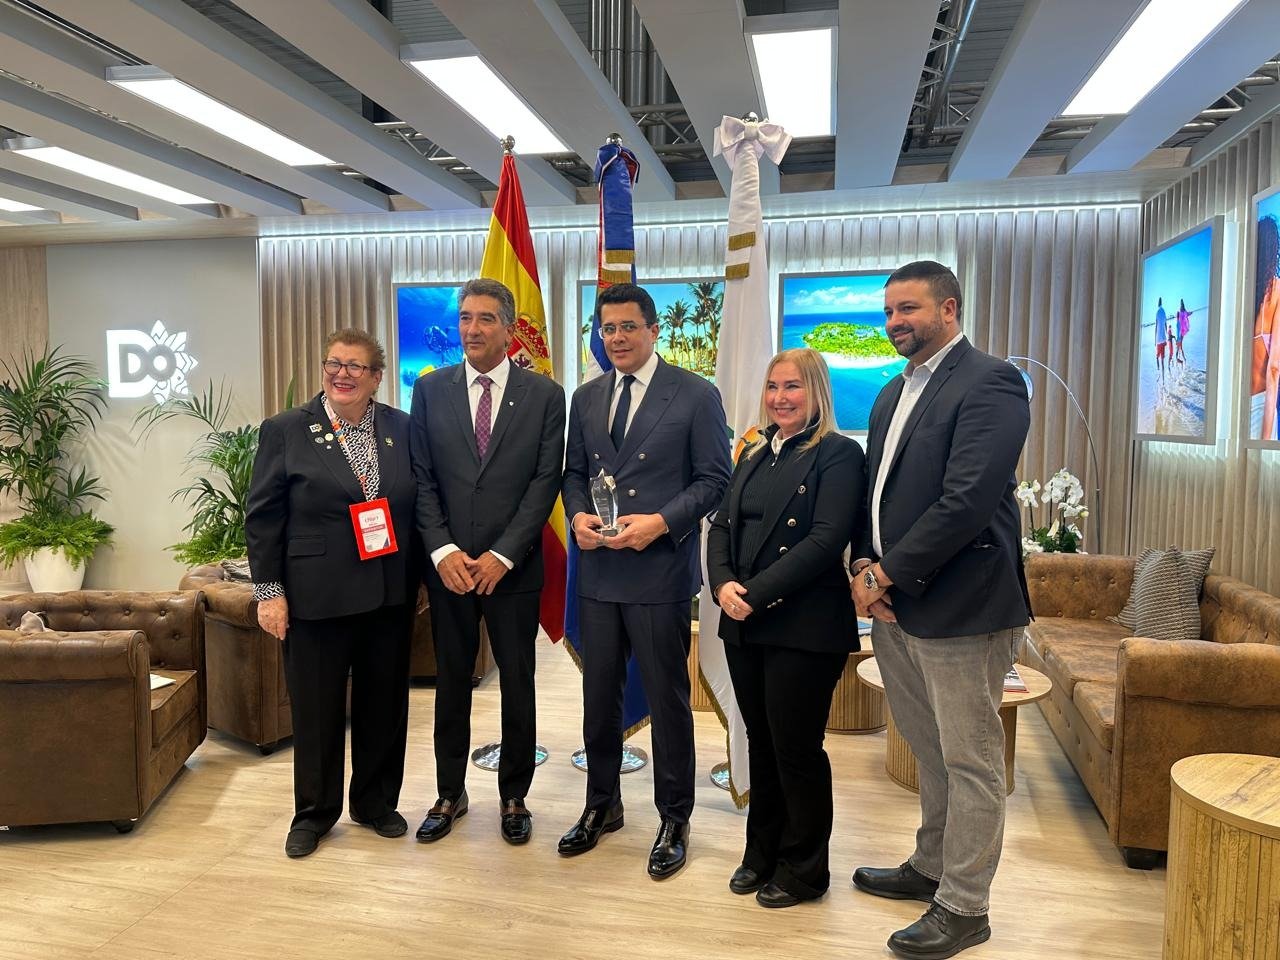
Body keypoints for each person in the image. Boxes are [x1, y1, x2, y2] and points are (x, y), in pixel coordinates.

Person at [850, 261, 1031, 960]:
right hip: (895, 604)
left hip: (964, 607)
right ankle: (931, 865)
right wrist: (865, 568)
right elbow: (875, 493)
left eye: (909, 308)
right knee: (928, 748)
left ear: (949, 309)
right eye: (889, 310)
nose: (895, 321)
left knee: (971, 759)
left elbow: (968, 500)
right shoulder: (891, 393)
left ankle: (964, 905)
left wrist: (886, 573)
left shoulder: (991, 381)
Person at [558, 282, 731, 880]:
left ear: (654, 331)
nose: (617, 338)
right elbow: (573, 474)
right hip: (599, 572)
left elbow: (715, 480)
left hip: (659, 573)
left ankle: (674, 817)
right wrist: (577, 516)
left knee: (667, 700)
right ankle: (601, 804)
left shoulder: (695, 394)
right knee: (598, 698)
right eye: (607, 329)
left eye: (628, 326)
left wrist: (660, 523)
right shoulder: (586, 396)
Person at [246, 329, 419, 859]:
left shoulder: (401, 427)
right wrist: (269, 592)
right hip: (315, 596)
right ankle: (314, 815)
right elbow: (263, 517)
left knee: (384, 705)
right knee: (317, 711)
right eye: (333, 364)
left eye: (355, 366)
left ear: (376, 377)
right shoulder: (286, 429)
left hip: (388, 593)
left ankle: (375, 802)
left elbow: (416, 503)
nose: (342, 374)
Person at [706, 348, 865, 909]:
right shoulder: (754, 451)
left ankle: (805, 869)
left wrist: (752, 594)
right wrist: (722, 585)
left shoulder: (839, 454)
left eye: (793, 386)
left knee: (796, 748)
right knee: (761, 743)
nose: (780, 398)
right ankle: (762, 851)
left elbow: (825, 541)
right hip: (744, 622)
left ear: (816, 390)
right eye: (773, 387)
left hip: (804, 624)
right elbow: (721, 526)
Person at [409, 278, 565, 846]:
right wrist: (443, 550)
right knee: (451, 683)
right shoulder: (430, 390)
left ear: (509, 328)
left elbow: (544, 482)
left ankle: (514, 795)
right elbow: (421, 478)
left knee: (517, 684)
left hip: (513, 570)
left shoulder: (545, 395)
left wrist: (503, 555)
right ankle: (449, 792)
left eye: (485, 319)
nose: (472, 330)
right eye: (465, 318)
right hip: (449, 570)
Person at [1252, 215, 1280, 440]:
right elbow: (1274, 369)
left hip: (1239, 406)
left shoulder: (1247, 292)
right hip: (1263, 411)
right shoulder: (1278, 292)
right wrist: (1265, 439)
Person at [1155, 297, 1168, 380]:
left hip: (1159, 339)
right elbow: (1166, 324)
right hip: (1163, 338)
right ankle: (1163, 378)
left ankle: (1158, 371)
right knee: (1162, 359)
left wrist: (1154, 340)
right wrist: (1166, 335)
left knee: (1157, 357)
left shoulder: (1157, 312)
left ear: (1158, 304)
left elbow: (1156, 327)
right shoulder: (1164, 311)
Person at [1175, 299, 1190, 365]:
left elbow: (1179, 331)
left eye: (1176, 315)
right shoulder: (1179, 321)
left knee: (1178, 349)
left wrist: (1178, 339)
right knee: (1180, 349)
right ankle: (1183, 360)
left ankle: (1180, 361)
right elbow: (1186, 314)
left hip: (1179, 337)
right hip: (1180, 336)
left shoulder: (1178, 322)